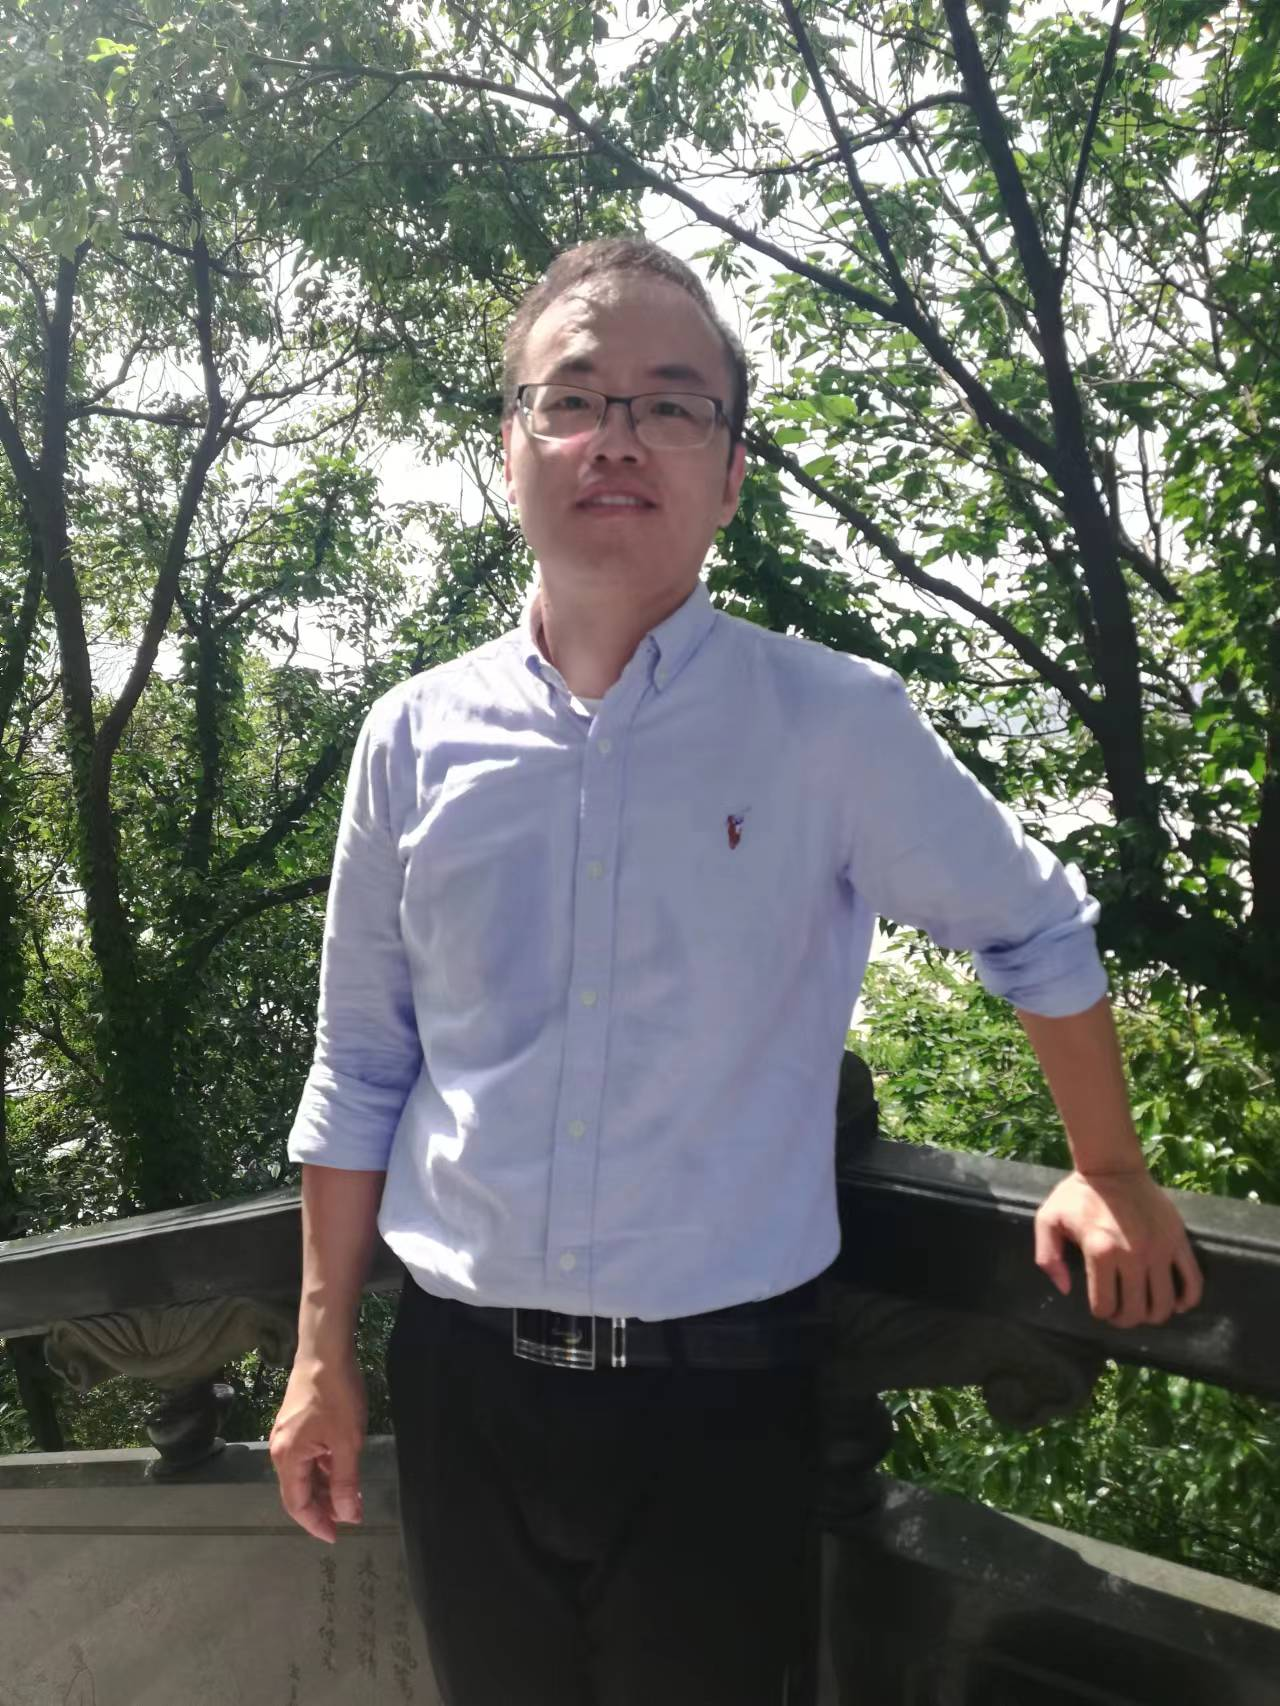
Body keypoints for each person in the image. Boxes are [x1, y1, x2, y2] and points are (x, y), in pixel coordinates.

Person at [268, 237, 1204, 1705]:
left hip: (725, 1397)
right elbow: (364, 1061)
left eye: (671, 402)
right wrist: (323, 1347)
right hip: (462, 1383)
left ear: (730, 475)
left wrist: (1110, 1166)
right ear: (510, 450)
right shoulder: (414, 736)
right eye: (574, 397)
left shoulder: (829, 722)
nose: (617, 436)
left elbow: (1036, 925)